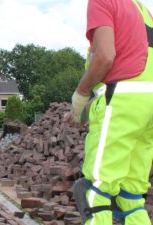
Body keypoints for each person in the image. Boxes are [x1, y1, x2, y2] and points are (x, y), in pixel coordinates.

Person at [70, 0, 153, 224]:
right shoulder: (142, 9)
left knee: (96, 192)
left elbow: (105, 56)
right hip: (149, 107)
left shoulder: (103, 1)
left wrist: (81, 93)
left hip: (122, 101)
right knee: (131, 196)